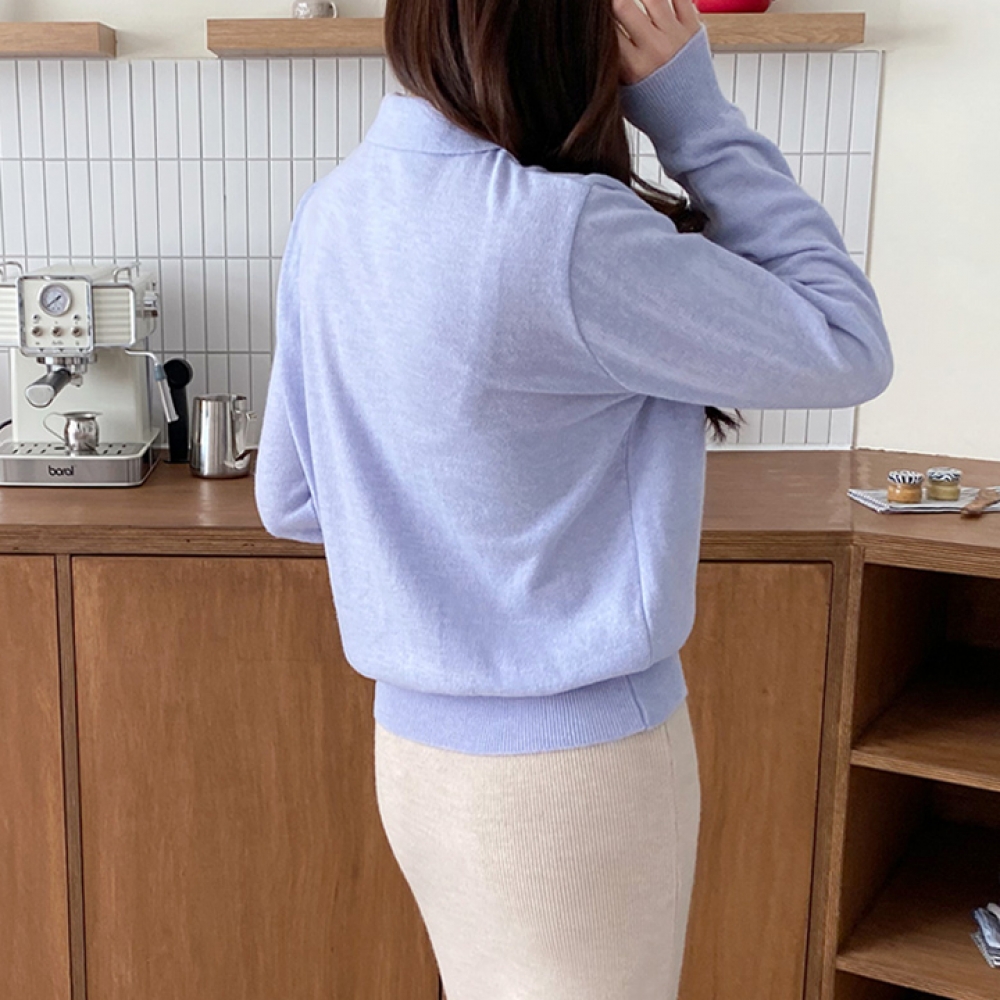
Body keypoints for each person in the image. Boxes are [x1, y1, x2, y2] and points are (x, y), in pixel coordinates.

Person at [254, 0, 894, 995]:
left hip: (417, 757)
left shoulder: (333, 212)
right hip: (575, 768)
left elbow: (291, 498)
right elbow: (848, 344)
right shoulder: (563, 232)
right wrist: (691, 113)